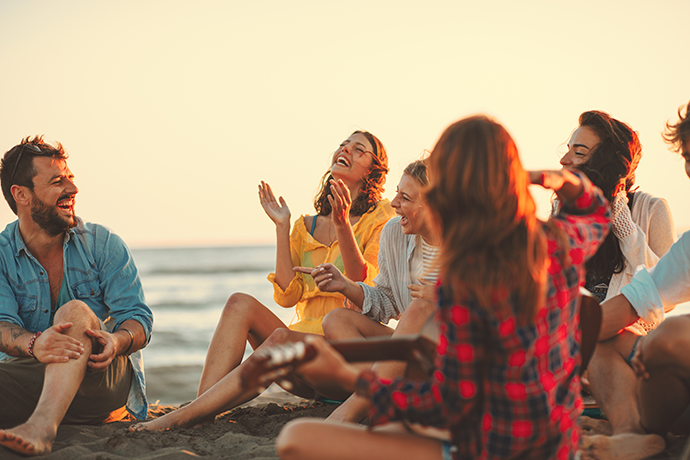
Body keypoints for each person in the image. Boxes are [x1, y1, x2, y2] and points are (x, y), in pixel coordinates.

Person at [274, 115, 611, 460]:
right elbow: (596, 208)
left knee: (297, 437)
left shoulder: (463, 280)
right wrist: (544, 177)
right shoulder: (557, 242)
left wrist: (350, 378)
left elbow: (447, 402)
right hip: (556, 445)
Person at [130, 130, 394, 431]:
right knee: (239, 303)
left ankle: (185, 415)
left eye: (358, 149)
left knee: (280, 341)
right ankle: (201, 407)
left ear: (373, 170)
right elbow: (286, 296)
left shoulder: (381, 218)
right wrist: (282, 227)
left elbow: (362, 280)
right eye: (343, 144)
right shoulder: (304, 226)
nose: (345, 149)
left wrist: (343, 222)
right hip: (304, 367)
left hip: (342, 364)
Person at [0, 136, 153, 456]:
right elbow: (2, 325)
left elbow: (137, 319)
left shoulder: (103, 244)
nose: (72, 189)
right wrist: (35, 343)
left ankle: (42, 426)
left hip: (99, 380)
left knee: (75, 313)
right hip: (30, 379)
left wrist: (116, 341)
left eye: (70, 178)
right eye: (58, 181)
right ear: (21, 194)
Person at [579, 100, 690, 460]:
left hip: (664, 345)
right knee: (600, 332)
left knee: (667, 339)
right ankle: (633, 433)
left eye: (577, 152)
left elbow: (657, 309)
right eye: (687, 158)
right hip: (655, 379)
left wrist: (623, 223)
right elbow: (634, 301)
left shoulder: (649, 209)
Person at [305, 158, 441, 423]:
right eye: (396, 193)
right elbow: (387, 300)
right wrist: (346, 285)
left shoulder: (471, 245)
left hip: (456, 358)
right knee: (337, 320)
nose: (394, 204)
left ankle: (361, 405)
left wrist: (447, 298)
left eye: (405, 197)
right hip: (410, 356)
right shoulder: (395, 232)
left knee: (419, 307)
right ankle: (403, 391)